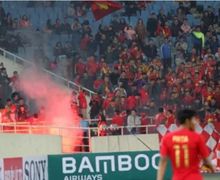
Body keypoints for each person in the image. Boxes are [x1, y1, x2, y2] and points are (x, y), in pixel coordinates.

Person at [157, 109, 215, 180]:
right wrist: (211, 166)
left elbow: (163, 162)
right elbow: (207, 162)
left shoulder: (167, 138)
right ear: (187, 121)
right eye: (194, 120)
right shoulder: (197, 137)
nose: (196, 122)